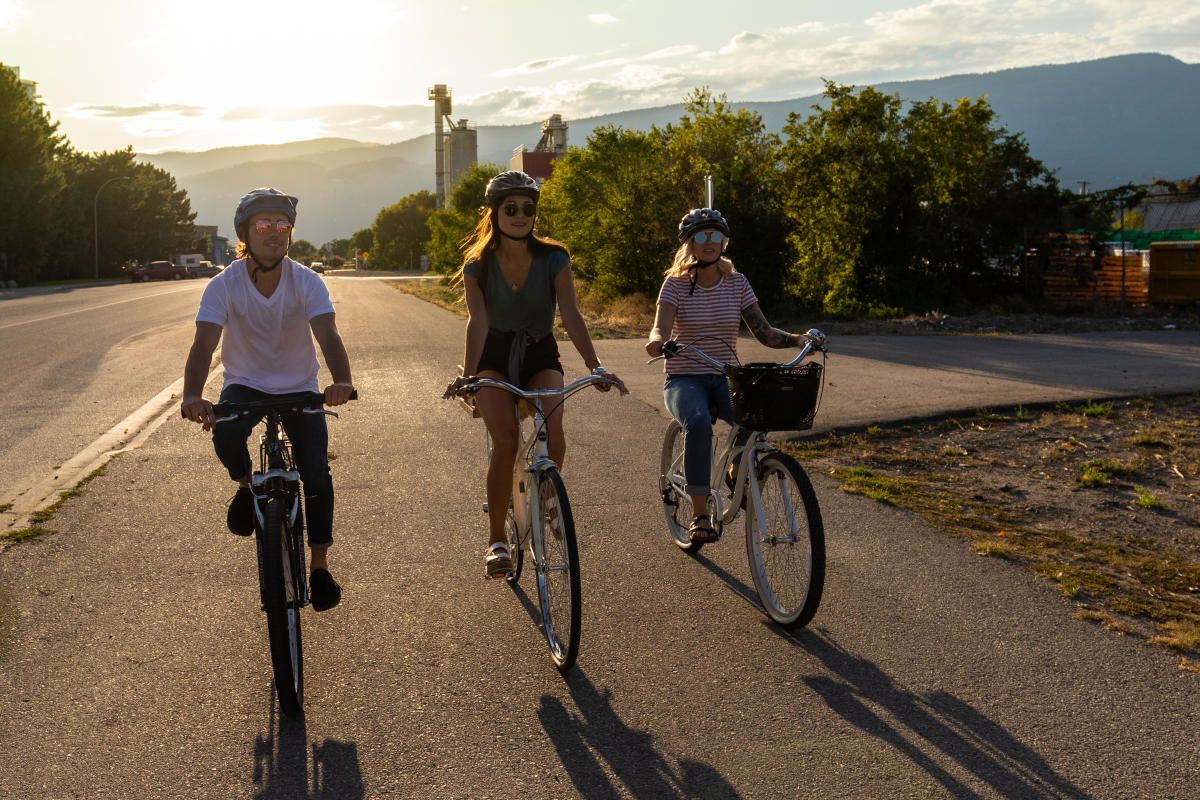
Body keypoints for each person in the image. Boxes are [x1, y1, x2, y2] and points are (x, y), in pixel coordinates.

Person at [443, 170, 628, 579]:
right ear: (494, 213)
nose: (520, 215)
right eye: (511, 208)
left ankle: (547, 497)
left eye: (528, 208)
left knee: (553, 425)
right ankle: (495, 541)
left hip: (541, 352)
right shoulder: (478, 265)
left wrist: (594, 365)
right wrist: (470, 376)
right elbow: (477, 323)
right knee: (506, 439)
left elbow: (572, 315)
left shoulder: (554, 257)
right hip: (494, 356)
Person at [181, 187, 355, 611]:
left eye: (282, 225)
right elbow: (204, 345)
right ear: (245, 233)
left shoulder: (307, 281)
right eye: (263, 225)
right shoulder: (224, 285)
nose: (274, 232)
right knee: (225, 436)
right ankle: (245, 484)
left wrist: (342, 381)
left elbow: (327, 335)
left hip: (299, 385)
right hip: (246, 383)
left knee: (315, 468)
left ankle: (319, 566)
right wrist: (192, 394)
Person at [645, 207, 809, 544]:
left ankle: (736, 468)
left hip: (725, 376)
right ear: (690, 242)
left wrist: (798, 340)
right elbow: (658, 329)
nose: (710, 241)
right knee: (699, 421)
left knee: (755, 414)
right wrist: (659, 343)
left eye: (716, 235)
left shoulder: (737, 283)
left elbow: (763, 332)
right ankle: (700, 514)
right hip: (684, 376)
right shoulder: (674, 284)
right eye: (702, 235)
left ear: (724, 241)